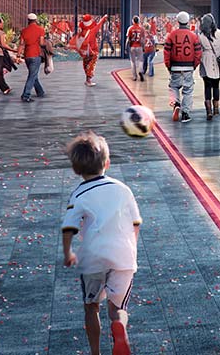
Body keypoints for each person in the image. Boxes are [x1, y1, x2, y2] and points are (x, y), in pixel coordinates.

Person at [62, 131, 142, 355]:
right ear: (107, 163)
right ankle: (119, 327)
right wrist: (131, 247)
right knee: (118, 308)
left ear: (76, 169)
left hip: (94, 258)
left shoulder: (78, 194)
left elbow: (69, 227)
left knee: (91, 306)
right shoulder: (123, 189)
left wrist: (68, 253)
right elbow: (135, 223)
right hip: (123, 256)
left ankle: (95, 352)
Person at [163, 12, 200, 123]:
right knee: (188, 90)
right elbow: (198, 53)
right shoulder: (193, 36)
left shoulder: (171, 35)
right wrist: (194, 65)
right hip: (188, 67)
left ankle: (176, 103)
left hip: (175, 66)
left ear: (178, 21)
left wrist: (168, 66)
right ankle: (185, 113)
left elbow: (166, 52)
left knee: (173, 86)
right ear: (188, 21)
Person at [198, 14, 220, 120]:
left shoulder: (201, 36)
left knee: (207, 86)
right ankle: (216, 108)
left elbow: (199, 51)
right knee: (216, 85)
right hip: (217, 62)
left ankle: (209, 111)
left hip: (205, 61)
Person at [20, 13, 49, 102]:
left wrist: (18, 55)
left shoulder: (24, 31)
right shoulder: (40, 30)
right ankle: (26, 95)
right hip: (36, 54)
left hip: (27, 55)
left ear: (28, 20)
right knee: (32, 75)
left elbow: (21, 44)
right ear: (36, 20)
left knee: (33, 74)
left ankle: (40, 92)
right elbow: (41, 43)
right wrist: (47, 43)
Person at [78, 14, 104, 87]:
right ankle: (88, 80)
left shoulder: (81, 24)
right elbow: (99, 26)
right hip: (91, 47)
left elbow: (79, 33)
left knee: (86, 63)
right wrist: (103, 18)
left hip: (84, 47)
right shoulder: (93, 25)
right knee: (92, 62)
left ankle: (87, 79)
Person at [125, 16, 148, 82]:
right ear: (138, 21)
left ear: (133, 21)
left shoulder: (130, 28)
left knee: (133, 62)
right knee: (141, 61)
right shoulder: (142, 29)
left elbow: (128, 39)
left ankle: (134, 76)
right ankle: (141, 71)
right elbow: (143, 40)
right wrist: (143, 47)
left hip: (132, 46)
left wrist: (126, 48)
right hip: (139, 46)